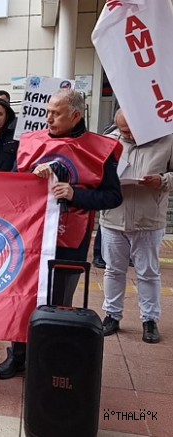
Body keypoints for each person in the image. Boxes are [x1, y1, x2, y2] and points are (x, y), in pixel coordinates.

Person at [0, 89, 123, 379]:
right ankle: (17, 355)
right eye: (48, 112)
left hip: (70, 241)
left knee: (58, 301)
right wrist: (32, 178)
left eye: (56, 113)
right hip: (31, 237)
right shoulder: (31, 143)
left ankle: (47, 360)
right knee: (23, 296)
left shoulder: (99, 150)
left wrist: (75, 194)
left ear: (75, 115)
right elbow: (13, 187)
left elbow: (113, 197)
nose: (48, 118)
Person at [100, 109, 173, 344]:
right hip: (113, 217)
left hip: (148, 219)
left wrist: (163, 180)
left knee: (148, 273)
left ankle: (150, 320)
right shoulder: (108, 141)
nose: (128, 135)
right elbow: (95, 174)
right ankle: (112, 315)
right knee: (113, 270)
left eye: (132, 130)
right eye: (123, 131)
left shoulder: (167, 140)